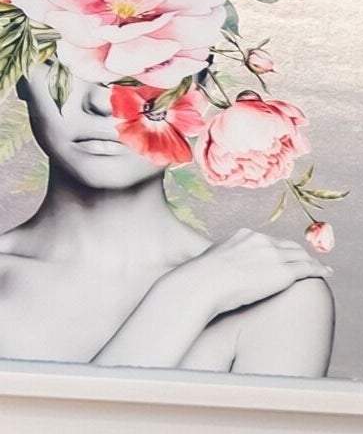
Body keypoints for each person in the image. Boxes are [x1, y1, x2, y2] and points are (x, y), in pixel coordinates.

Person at [0, 66, 334, 376]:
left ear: (199, 85)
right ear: (21, 75)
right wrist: (183, 298)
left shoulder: (278, 298)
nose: (102, 101)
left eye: (149, 63)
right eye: (66, 62)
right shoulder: (225, 285)